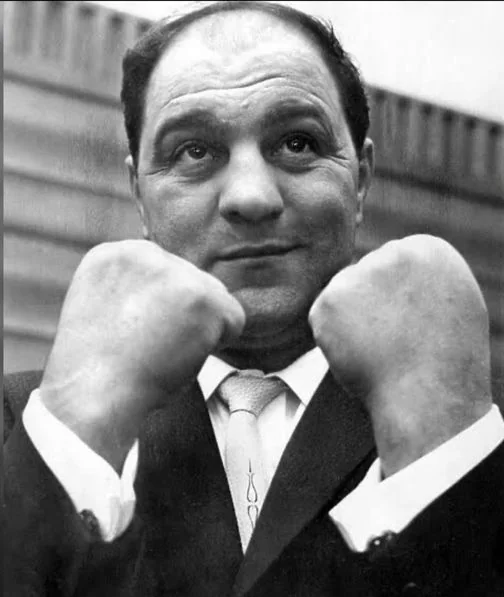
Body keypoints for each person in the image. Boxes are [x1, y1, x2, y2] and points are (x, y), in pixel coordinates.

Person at [4, 1, 503, 596]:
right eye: (194, 151)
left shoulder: (478, 435)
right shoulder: (24, 426)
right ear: (139, 194)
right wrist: (78, 431)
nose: (250, 196)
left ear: (361, 180)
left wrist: (442, 453)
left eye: (296, 142)